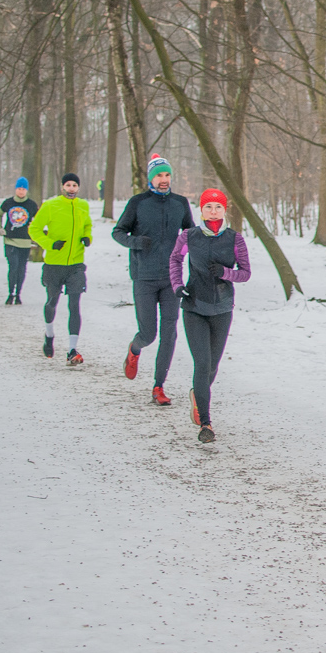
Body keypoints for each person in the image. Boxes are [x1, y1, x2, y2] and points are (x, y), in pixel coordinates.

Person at [169, 188, 251, 443]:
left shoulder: (235, 239)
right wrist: (177, 285)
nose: (213, 211)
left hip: (222, 308)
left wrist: (226, 273)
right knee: (202, 364)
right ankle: (206, 423)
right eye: (208, 207)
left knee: (212, 367)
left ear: (224, 210)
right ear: (201, 210)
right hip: (194, 306)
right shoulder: (189, 236)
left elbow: (246, 273)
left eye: (217, 207)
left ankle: (198, 393)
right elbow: (175, 260)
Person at [114, 154, 195, 405]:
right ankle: (135, 349)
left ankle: (158, 386)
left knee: (169, 333)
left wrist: (185, 250)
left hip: (172, 278)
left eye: (167, 175)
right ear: (151, 178)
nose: (164, 180)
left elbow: (190, 233)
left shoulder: (180, 203)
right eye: (159, 175)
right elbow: (118, 232)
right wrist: (136, 242)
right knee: (149, 333)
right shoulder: (138, 203)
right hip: (144, 277)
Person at [29, 173, 93, 364]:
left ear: (78, 188)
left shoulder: (83, 205)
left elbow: (87, 225)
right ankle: (49, 335)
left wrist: (87, 237)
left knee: (74, 305)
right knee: (51, 302)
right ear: (62, 187)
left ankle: (72, 350)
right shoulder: (50, 205)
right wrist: (50, 244)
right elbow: (34, 229)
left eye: (75, 185)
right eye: (68, 185)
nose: (71, 188)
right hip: (54, 265)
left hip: (76, 264)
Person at [0, 177, 39, 305]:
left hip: (25, 241)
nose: (21, 191)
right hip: (10, 240)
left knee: (21, 268)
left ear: (26, 190)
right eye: (19, 189)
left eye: (23, 189)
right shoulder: (8, 203)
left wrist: (34, 229)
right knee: (13, 266)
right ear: (16, 189)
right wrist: (0, 228)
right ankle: (10, 293)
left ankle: (18, 294)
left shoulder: (31, 205)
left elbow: (38, 220)